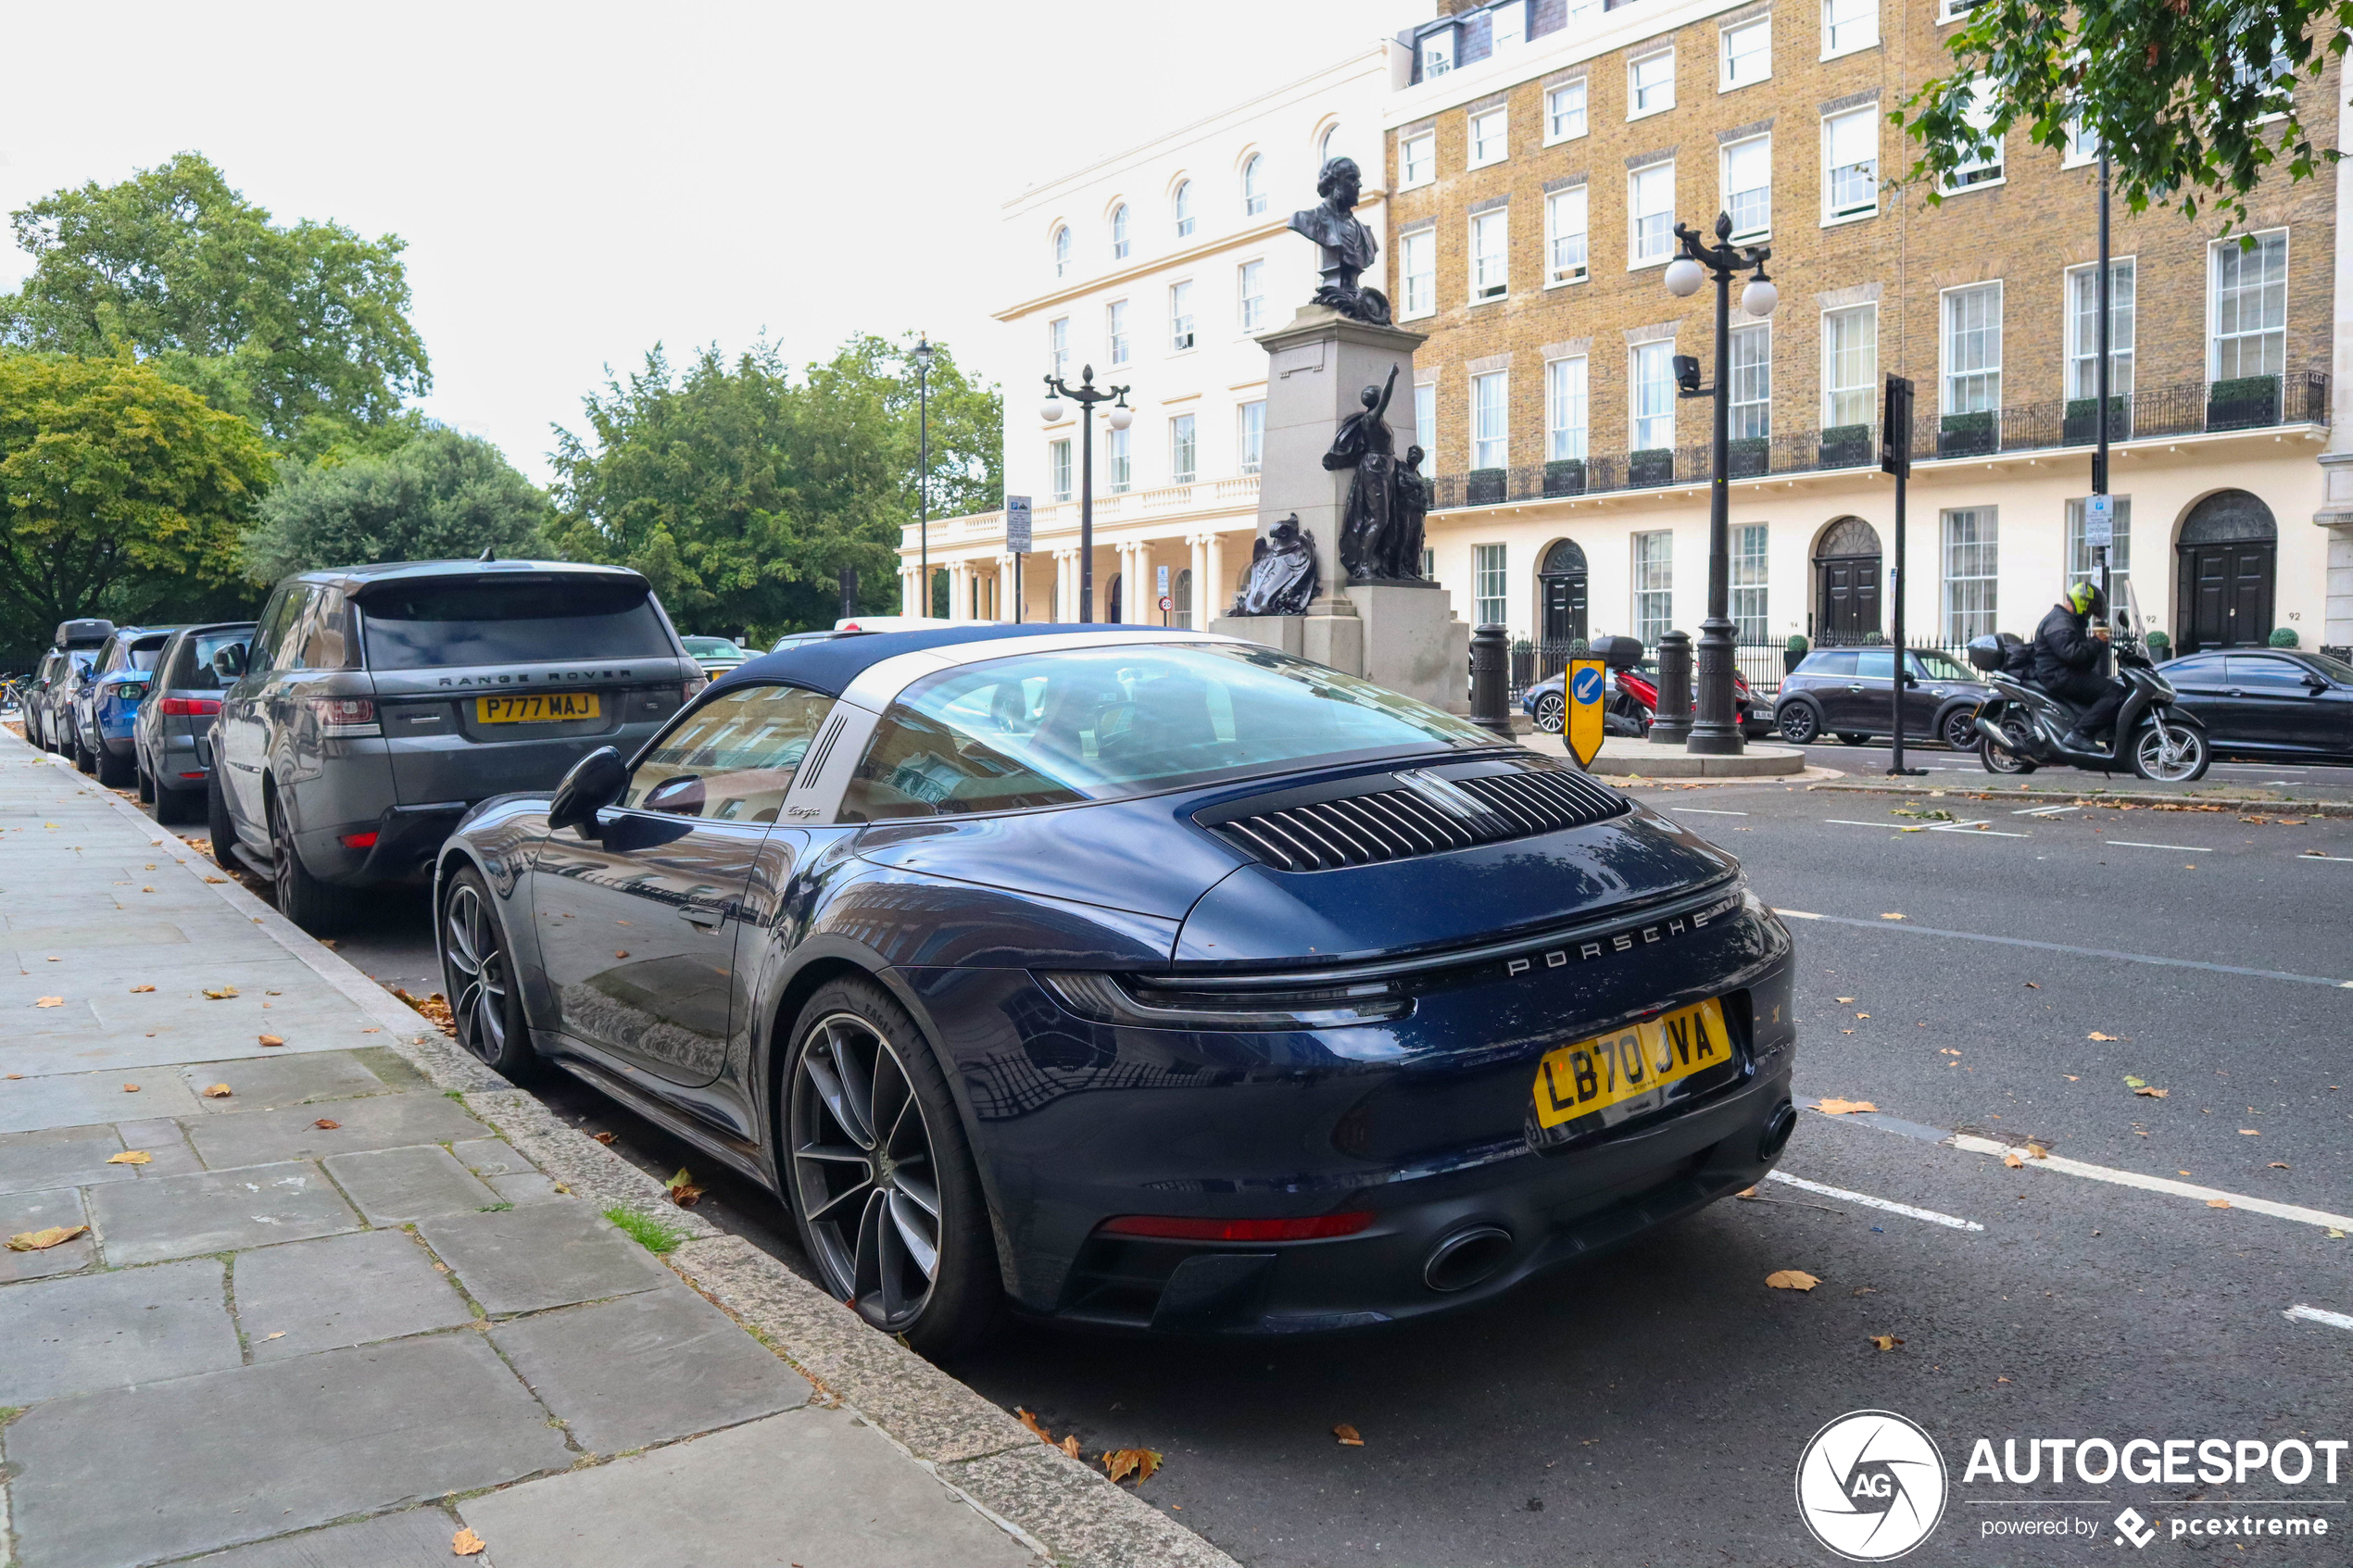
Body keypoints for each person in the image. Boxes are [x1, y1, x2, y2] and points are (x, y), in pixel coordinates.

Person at [2031, 581, 2124, 752]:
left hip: (2066, 673)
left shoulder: (2068, 620)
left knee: (2109, 688)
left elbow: (2081, 657)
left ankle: (2110, 734)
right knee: (2115, 693)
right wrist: (2096, 641)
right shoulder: (2059, 620)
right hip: (2059, 675)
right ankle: (2079, 734)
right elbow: (2071, 653)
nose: (2090, 614)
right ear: (2083, 603)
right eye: (2090, 609)